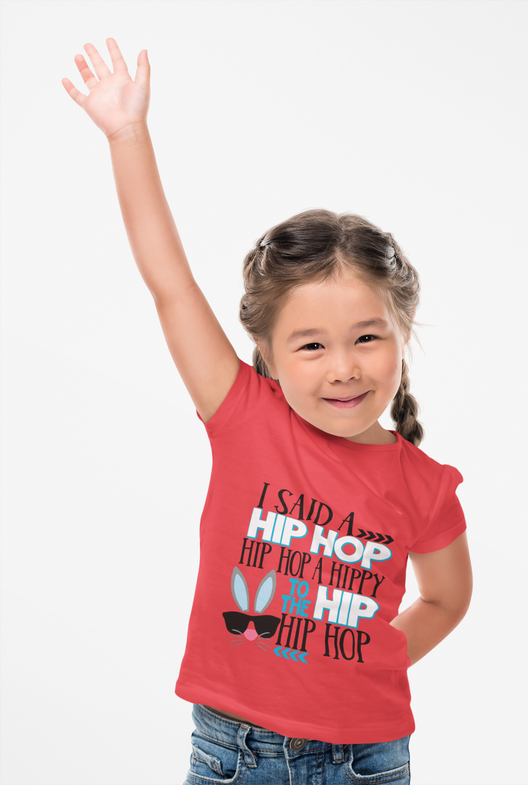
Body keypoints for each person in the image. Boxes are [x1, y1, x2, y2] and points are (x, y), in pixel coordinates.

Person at [62, 38, 473, 785]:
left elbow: (446, 597)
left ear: (400, 333)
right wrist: (127, 135)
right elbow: (171, 285)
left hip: (366, 761)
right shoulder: (242, 414)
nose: (343, 366)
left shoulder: (425, 483)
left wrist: (366, 660)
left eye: (366, 338)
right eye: (311, 344)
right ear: (266, 349)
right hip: (231, 754)